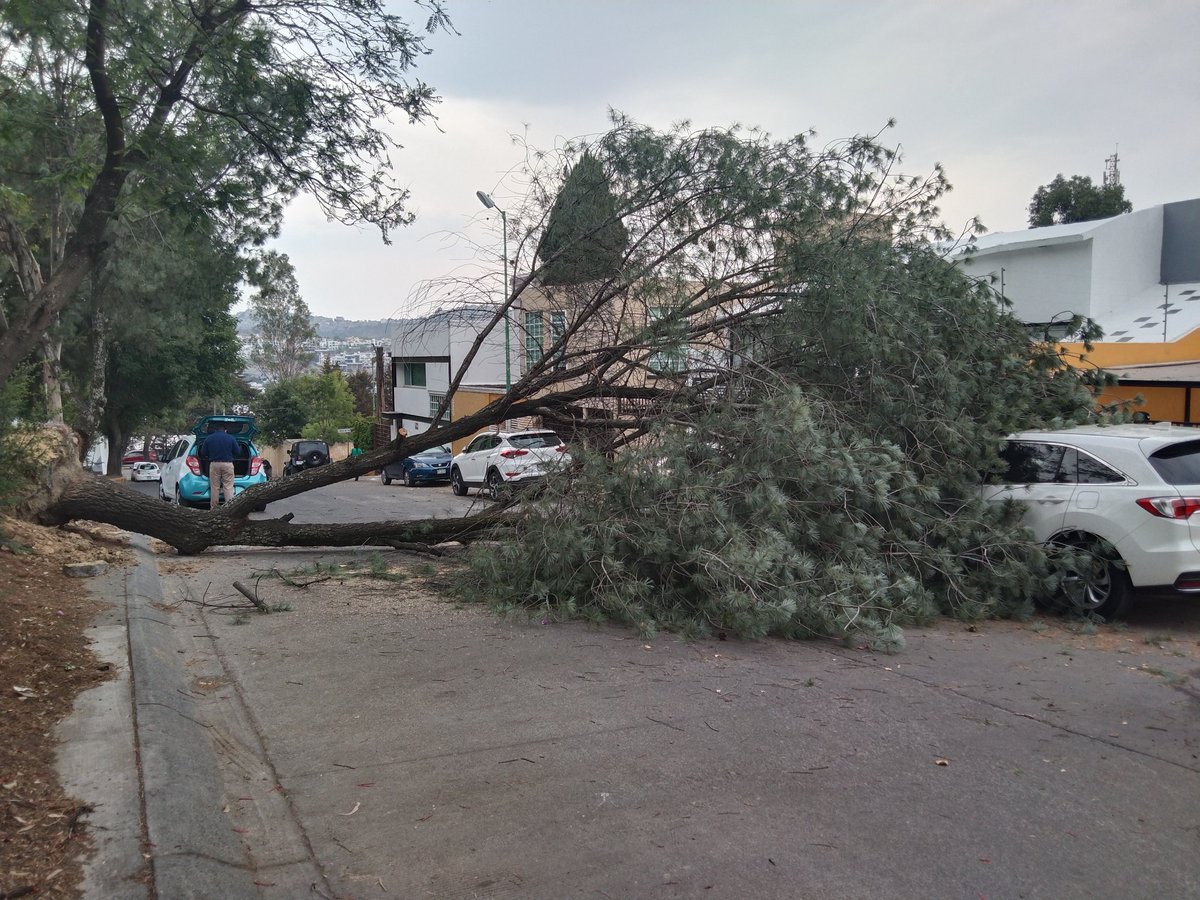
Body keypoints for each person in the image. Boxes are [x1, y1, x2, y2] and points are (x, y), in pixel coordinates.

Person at [204, 422, 238, 509]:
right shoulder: (231, 438)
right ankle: (230, 508)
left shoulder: (209, 438)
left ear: (215, 430)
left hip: (214, 464)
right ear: (225, 430)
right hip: (228, 464)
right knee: (228, 486)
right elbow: (237, 452)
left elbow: (203, 453)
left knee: (215, 487)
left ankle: (214, 508)